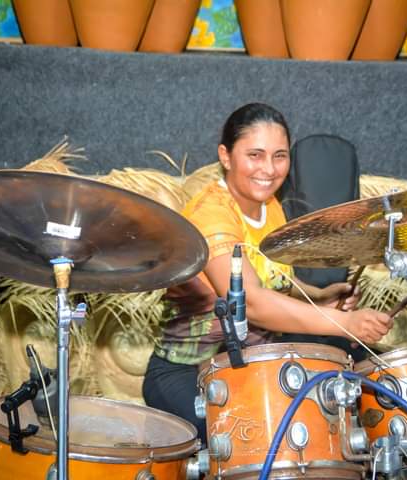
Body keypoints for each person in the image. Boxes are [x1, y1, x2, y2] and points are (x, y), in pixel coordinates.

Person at [142, 102, 393, 442]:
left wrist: (319, 298)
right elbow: (251, 302)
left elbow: (272, 281)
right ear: (225, 156)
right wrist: (344, 323)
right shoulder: (211, 214)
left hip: (250, 362)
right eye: (255, 155)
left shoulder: (269, 206)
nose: (270, 170)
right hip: (187, 373)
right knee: (251, 440)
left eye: (280, 156)